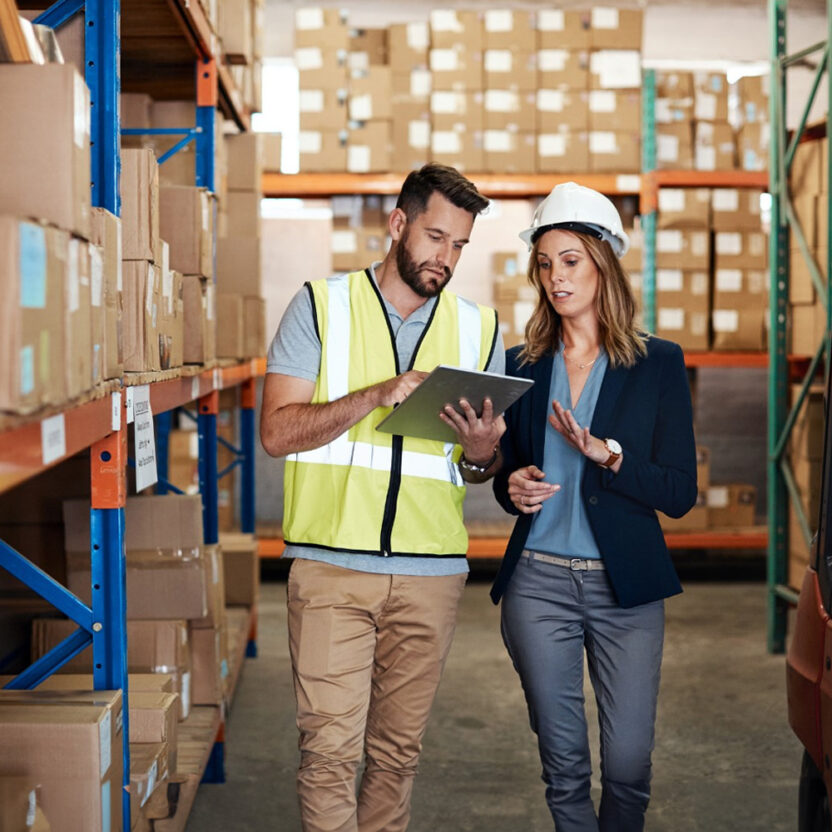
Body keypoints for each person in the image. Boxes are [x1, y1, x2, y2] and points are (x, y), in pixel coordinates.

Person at [260, 164, 506, 832]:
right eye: (435, 237)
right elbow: (277, 433)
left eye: (459, 245)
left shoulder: (479, 329)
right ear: (397, 224)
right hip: (332, 569)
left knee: (397, 757)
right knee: (330, 753)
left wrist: (483, 453)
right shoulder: (320, 306)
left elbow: (477, 471)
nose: (445, 258)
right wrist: (372, 395)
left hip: (431, 575)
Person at [489, 182, 697, 832]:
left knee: (630, 764)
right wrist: (511, 486)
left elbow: (680, 492)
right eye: (546, 263)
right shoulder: (521, 365)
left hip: (625, 590)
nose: (556, 277)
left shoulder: (657, 364)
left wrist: (610, 456)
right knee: (564, 761)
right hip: (540, 585)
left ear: (605, 262)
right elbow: (505, 475)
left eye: (571, 260)